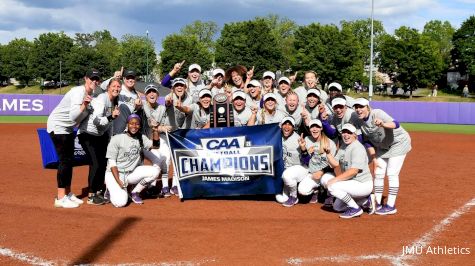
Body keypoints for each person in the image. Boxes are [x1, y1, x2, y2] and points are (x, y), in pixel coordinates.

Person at [47, 69, 101, 208]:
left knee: (70, 161)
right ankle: (60, 197)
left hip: (69, 128)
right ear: (86, 78)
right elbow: (73, 117)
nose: (94, 81)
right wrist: (84, 105)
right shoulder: (78, 92)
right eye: (92, 78)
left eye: (97, 79)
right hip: (58, 126)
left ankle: (68, 193)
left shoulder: (93, 93)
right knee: (64, 160)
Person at [352, 98, 412, 215]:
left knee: (392, 173)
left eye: (361, 107)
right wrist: (374, 158)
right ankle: (377, 203)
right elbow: (366, 141)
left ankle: (390, 205)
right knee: (378, 173)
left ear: (368, 107)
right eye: (356, 107)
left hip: (398, 143)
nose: (359, 110)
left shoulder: (377, 113)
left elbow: (396, 123)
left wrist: (383, 124)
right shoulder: (358, 120)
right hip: (382, 146)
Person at [78, 78, 121, 205]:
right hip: (87, 133)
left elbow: (110, 123)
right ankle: (91, 195)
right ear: (108, 87)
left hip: (100, 135)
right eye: (114, 86)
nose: (116, 88)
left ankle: (98, 191)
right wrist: (111, 117)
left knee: (103, 163)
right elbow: (98, 121)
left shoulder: (115, 101)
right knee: (95, 163)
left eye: (118, 87)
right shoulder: (102, 99)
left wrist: (110, 138)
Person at [277, 119, 337, 207]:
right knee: (302, 190)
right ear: (309, 129)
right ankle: (313, 191)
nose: (315, 129)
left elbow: (334, 165)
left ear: (321, 128)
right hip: (311, 172)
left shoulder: (330, 143)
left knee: (328, 181)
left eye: (317, 127)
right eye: (312, 127)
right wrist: (304, 149)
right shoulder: (307, 139)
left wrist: (322, 172)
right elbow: (306, 161)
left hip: (326, 172)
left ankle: (329, 195)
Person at [105, 114, 161, 207]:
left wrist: (155, 130)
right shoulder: (117, 138)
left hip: (131, 173)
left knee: (155, 171)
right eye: (131, 123)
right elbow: (112, 163)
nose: (134, 126)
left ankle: (135, 192)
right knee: (121, 203)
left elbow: (156, 145)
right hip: (115, 173)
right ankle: (110, 189)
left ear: (140, 126)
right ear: (127, 124)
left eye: (137, 124)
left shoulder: (141, 138)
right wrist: (118, 181)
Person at [321, 123, 375, 218]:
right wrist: (328, 154)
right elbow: (335, 164)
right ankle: (365, 201)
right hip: (352, 182)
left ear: (355, 135)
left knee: (332, 186)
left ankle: (355, 208)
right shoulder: (343, 146)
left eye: (349, 133)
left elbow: (354, 171)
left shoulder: (358, 148)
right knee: (337, 208)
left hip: (363, 184)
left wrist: (335, 180)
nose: (346, 135)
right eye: (344, 132)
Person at [141, 84, 171, 198]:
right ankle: (151, 186)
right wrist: (161, 128)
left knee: (166, 158)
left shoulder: (162, 108)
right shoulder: (142, 106)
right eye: (149, 92)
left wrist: (161, 128)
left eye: (154, 92)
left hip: (159, 137)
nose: (152, 94)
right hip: (146, 139)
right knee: (157, 160)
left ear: (158, 95)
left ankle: (165, 186)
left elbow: (166, 126)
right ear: (145, 95)